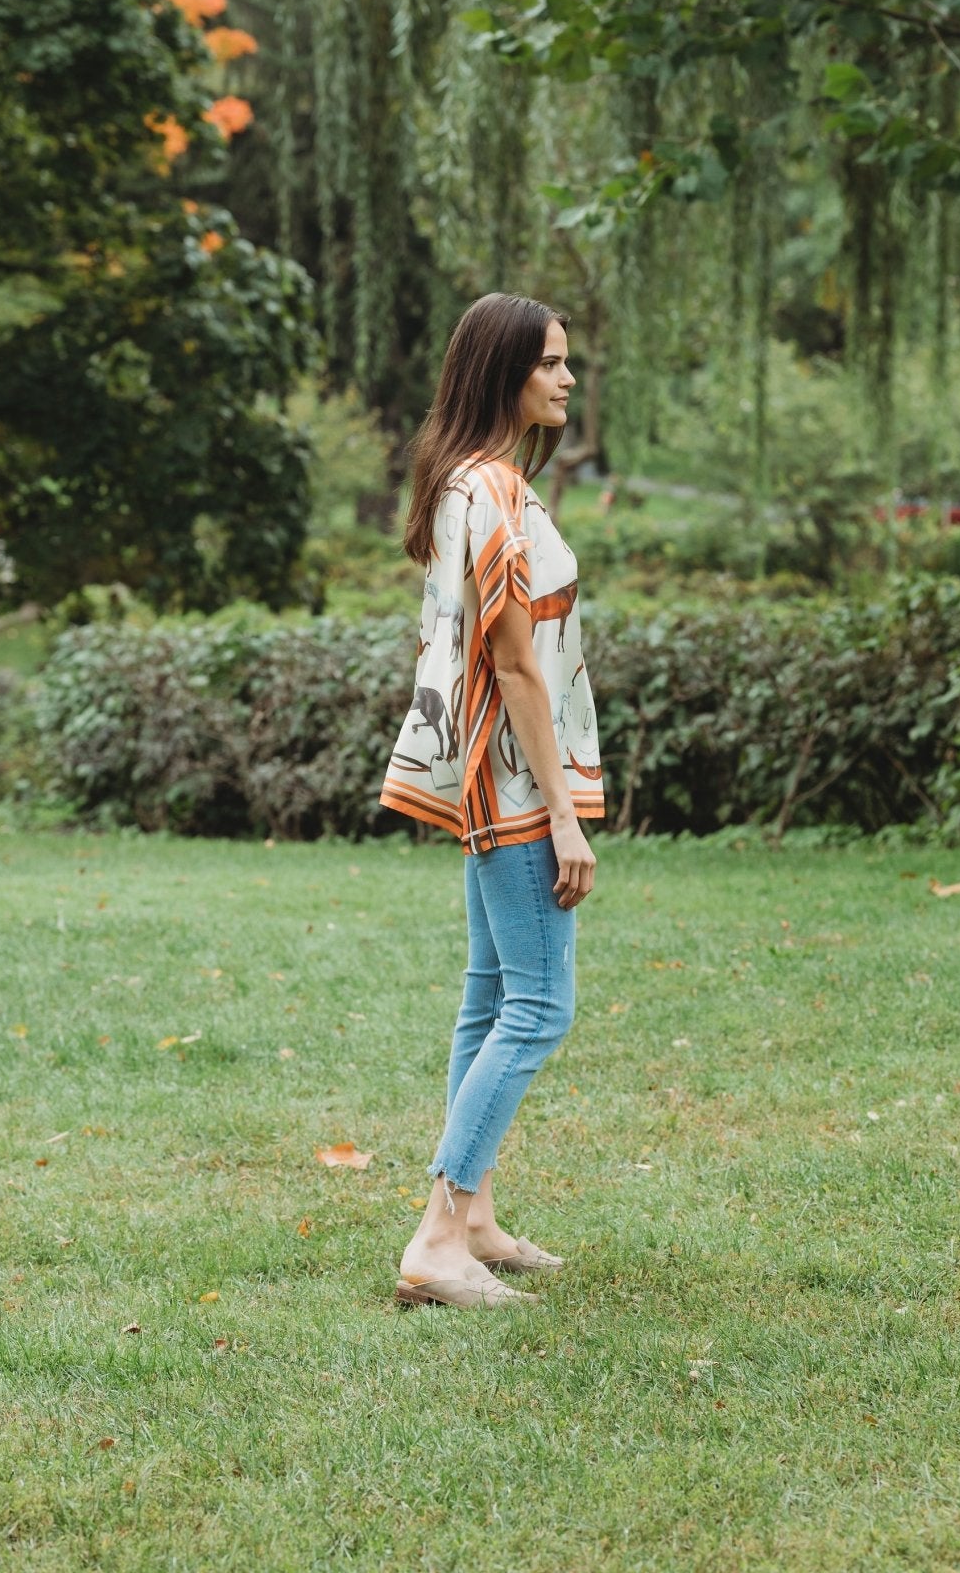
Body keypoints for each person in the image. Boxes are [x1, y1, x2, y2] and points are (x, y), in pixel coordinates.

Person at [381, 293, 604, 1310]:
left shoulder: (464, 483)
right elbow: (516, 667)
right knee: (539, 1006)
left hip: (486, 777)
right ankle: (437, 1234)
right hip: (514, 783)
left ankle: (471, 1219)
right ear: (504, 371)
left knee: (489, 994)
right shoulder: (496, 494)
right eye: (549, 363)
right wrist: (563, 814)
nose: (566, 379)